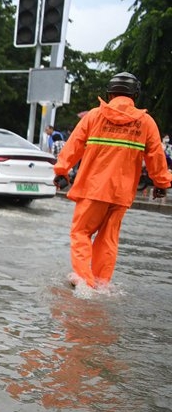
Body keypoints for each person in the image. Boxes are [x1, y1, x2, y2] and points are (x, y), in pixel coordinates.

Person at [52, 71, 169, 289]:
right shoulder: (146, 123)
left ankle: (84, 281)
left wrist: (61, 171)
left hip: (92, 189)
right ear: (136, 94)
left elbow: (73, 146)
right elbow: (156, 157)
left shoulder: (94, 116)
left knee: (81, 233)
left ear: (109, 93)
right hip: (121, 194)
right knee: (108, 238)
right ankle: (102, 283)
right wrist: (161, 184)